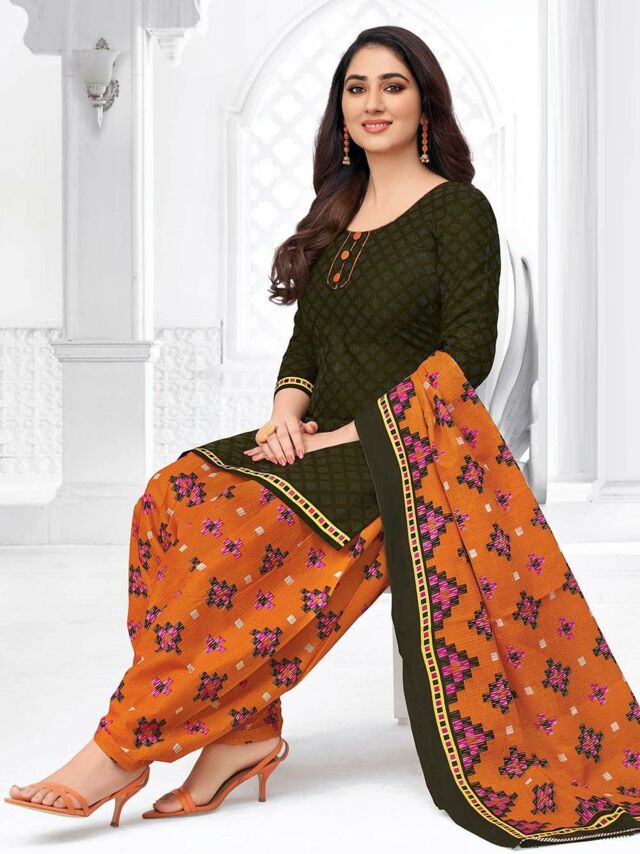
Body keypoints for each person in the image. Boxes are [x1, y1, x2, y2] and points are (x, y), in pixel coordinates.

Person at [7, 24, 639, 845]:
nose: (373, 102)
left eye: (392, 86)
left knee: (240, 527)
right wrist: (285, 413)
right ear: (341, 111)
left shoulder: (458, 210)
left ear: (425, 106)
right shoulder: (337, 213)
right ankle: (242, 735)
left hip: (403, 454)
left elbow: (465, 356)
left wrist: (347, 435)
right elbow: (306, 345)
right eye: (356, 87)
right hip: (314, 438)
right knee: (173, 495)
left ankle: (120, 749)